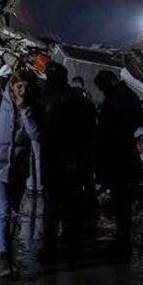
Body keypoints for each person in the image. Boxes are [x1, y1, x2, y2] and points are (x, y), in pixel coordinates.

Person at [0, 69, 41, 279]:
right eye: (19, 86)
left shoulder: (31, 107)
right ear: (11, 85)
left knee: (13, 212)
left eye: (26, 86)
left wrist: (25, 111)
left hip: (18, 168)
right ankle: (3, 258)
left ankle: (7, 253)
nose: (22, 90)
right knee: (3, 210)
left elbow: (36, 134)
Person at [37, 62, 96, 261]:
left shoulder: (43, 99)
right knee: (71, 203)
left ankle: (50, 248)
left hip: (52, 158)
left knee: (52, 205)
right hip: (73, 158)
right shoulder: (77, 98)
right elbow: (89, 127)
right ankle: (72, 246)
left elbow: (37, 129)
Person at [94, 70, 140, 259]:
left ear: (109, 82)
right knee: (121, 201)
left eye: (103, 86)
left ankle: (122, 243)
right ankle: (121, 240)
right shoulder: (126, 95)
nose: (102, 90)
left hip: (119, 156)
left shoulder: (119, 98)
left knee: (121, 201)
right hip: (123, 154)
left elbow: (113, 128)